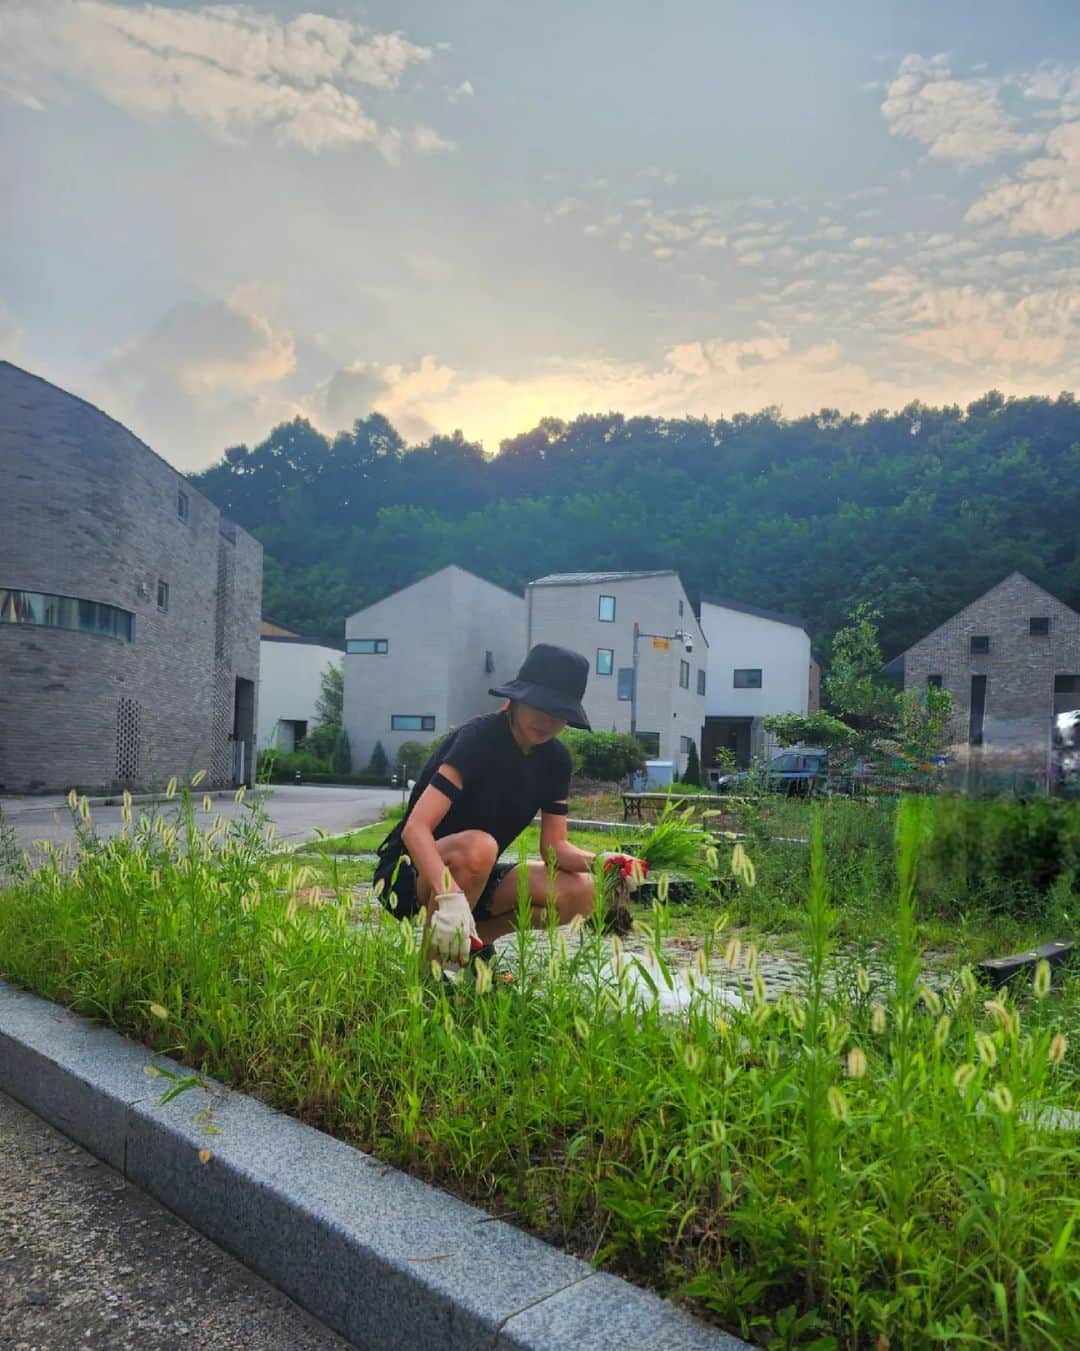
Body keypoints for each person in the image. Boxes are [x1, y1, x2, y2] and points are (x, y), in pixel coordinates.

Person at [373, 643, 643, 963]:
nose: (547, 721)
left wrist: (601, 861)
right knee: (479, 846)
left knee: (581, 892)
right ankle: (435, 976)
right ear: (517, 698)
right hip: (409, 873)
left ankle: (474, 946)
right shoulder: (478, 739)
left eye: (559, 714)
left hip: (478, 875)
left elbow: (555, 848)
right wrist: (449, 895)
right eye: (539, 707)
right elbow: (416, 829)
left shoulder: (556, 760)